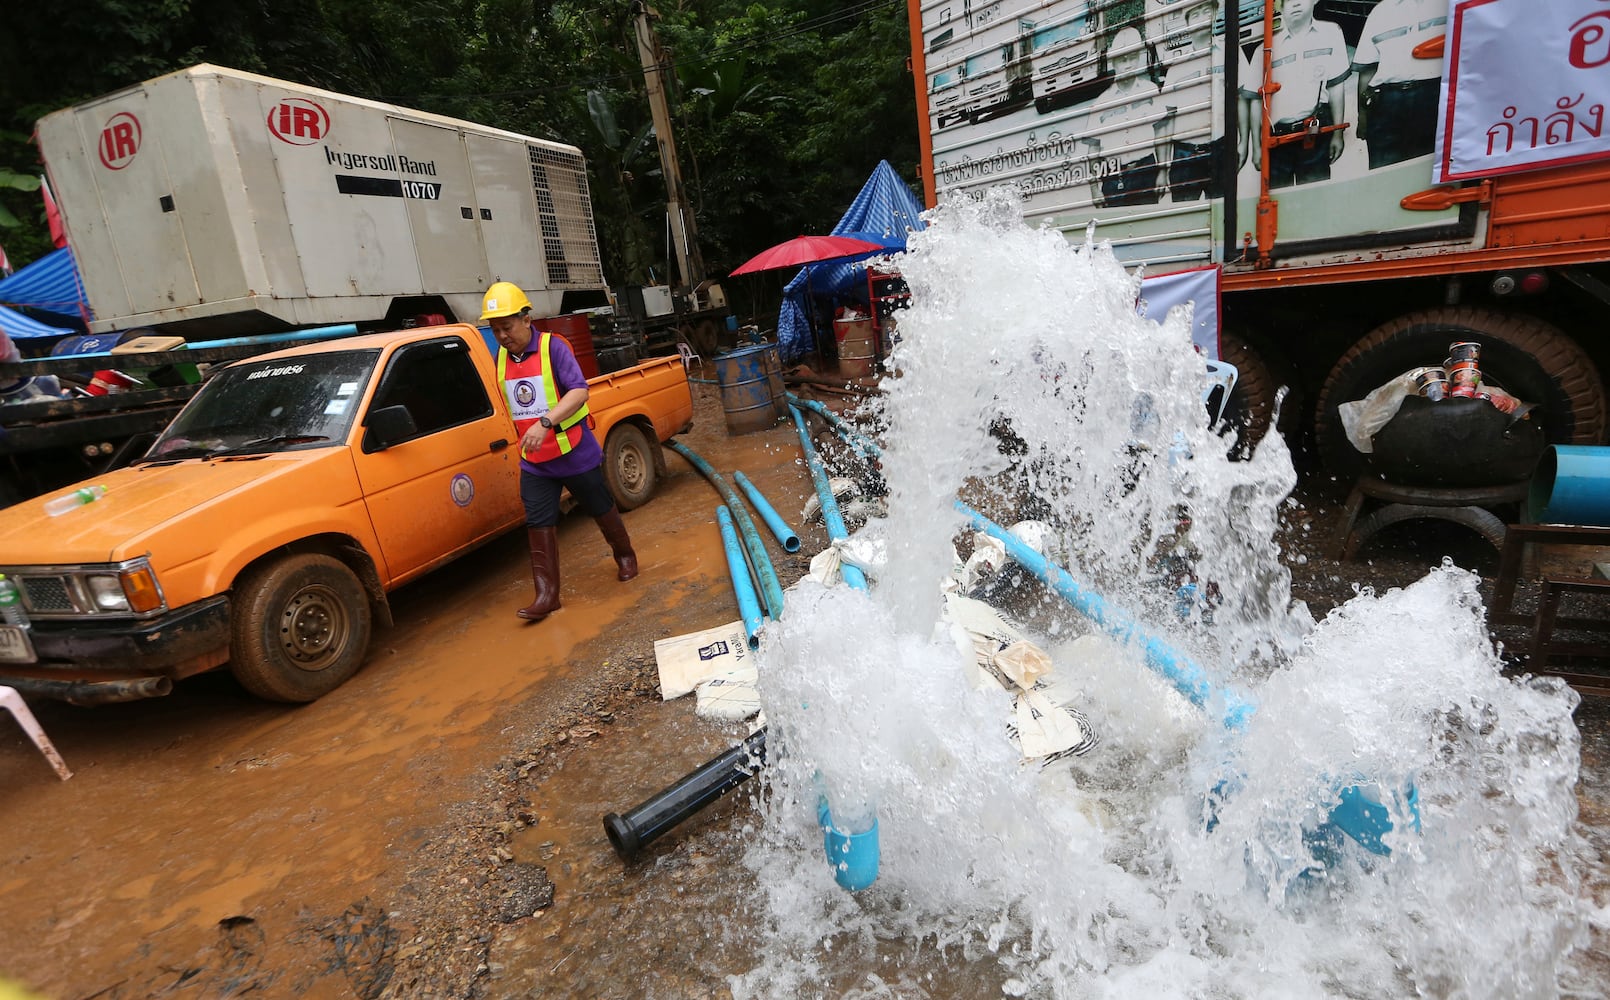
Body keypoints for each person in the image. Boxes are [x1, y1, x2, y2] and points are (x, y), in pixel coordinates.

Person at [481, 281, 637, 622]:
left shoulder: (554, 348)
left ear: (526, 319)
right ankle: (547, 595)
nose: (502, 336)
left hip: (572, 450)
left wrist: (545, 423)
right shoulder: (501, 359)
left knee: (599, 505)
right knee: (538, 522)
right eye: (495, 330)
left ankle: (625, 556)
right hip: (535, 462)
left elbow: (579, 392)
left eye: (506, 327)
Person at [1244, 0, 1351, 188]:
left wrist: (1337, 134)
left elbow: (1336, 88)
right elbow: (1255, 102)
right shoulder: (1264, 49)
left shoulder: (1331, 34)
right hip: (1276, 142)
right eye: (1288, 1)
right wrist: (1257, 148)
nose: (1295, 5)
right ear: (1280, 7)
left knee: (1316, 196)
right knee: (1280, 200)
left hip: (1313, 135)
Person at [1160, 0, 1254, 200]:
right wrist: (1163, 165)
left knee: (1223, 208)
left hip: (1221, 147)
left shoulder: (1231, 53)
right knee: (1184, 213)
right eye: (1194, 14)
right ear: (1187, 23)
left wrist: (1244, 143)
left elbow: (1241, 100)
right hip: (1185, 155)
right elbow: (1167, 119)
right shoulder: (1176, 69)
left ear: (1214, 13)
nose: (1201, 17)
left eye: (1205, 10)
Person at [1354, 0, 1446, 169]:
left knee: (1429, 169)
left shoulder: (1447, 4)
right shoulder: (1379, 13)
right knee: (1385, 170)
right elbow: (1367, 71)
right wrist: (1362, 116)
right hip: (1386, 103)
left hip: (1434, 97)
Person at [1085, 25, 1170, 207]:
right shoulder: (1101, 103)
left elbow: (1161, 134)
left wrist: (1163, 171)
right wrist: (1094, 187)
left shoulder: (1150, 91)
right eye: (1123, 60)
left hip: (1146, 172)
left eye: (1133, 57)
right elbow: (1093, 151)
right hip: (1114, 178)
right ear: (1113, 62)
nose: (1129, 64)